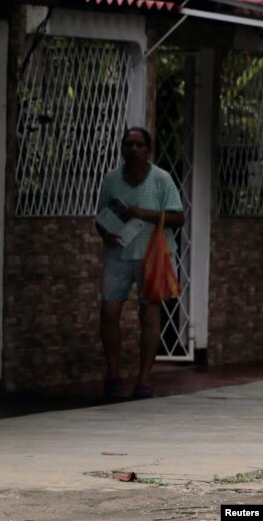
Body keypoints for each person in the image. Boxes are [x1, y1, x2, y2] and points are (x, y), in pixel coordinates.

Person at [95, 127, 184, 399]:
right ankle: (113, 373)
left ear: (148, 150)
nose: (133, 149)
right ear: (122, 149)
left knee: (149, 315)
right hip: (118, 256)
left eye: (138, 145)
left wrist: (141, 213)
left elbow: (178, 218)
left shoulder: (162, 179)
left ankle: (144, 379)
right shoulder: (111, 179)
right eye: (128, 144)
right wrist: (104, 232)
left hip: (152, 257)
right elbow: (101, 216)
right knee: (109, 312)